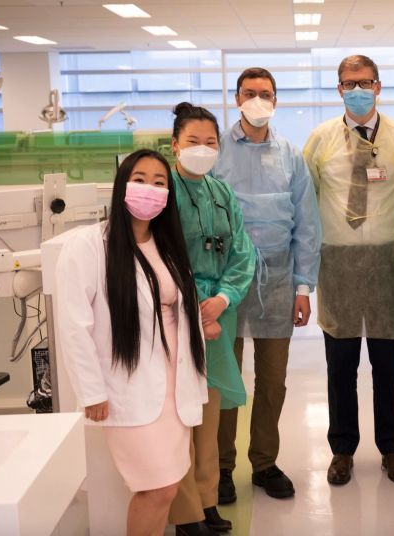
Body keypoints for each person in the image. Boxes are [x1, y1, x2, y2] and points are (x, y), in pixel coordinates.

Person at [55, 149, 207, 536]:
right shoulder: (88, 245)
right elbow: (74, 325)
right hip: (127, 387)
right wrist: (91, 392)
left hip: (174, 386)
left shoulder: (166, 245)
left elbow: (172, 309)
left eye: (160, 183)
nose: (149, 190)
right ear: (121, 184)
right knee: (155, 489)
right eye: (139, 179)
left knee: (168, 487)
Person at [303, 54, 394, 486]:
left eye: (365, 82)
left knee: (388, 367)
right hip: (338, 265)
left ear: (378, 86)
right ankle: (342, 450)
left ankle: (392, 448)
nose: (357, 89)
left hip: (389, 265)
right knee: (341, 367)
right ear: (338, 89)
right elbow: (307, 206)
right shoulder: (319, 141)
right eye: (349, 83)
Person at [214, 67, 321, 501]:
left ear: (276, 101)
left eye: (266, 94)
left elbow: (307, 225)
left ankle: (264, 462)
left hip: (278, 281)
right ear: (235, 97)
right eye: (249, 93)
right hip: (225, 280)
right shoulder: (215, 150)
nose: (257, 100)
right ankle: (220, 466)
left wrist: (302, 288)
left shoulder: (290, 155)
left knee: (273, 380)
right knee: (224, 378)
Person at [168, 103, 255, 535]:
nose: (202, 150)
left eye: (209, 143)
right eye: (192, 142)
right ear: (174, 146)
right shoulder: (162, 192)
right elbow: (157, 257)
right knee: (181, 412)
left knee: (209, 411)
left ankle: (206, 501)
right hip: (174, 314)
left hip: (218, 313)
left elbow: (242, 252)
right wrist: (190, 304)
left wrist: (223, 298)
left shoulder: (222, 194)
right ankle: (183, 511)